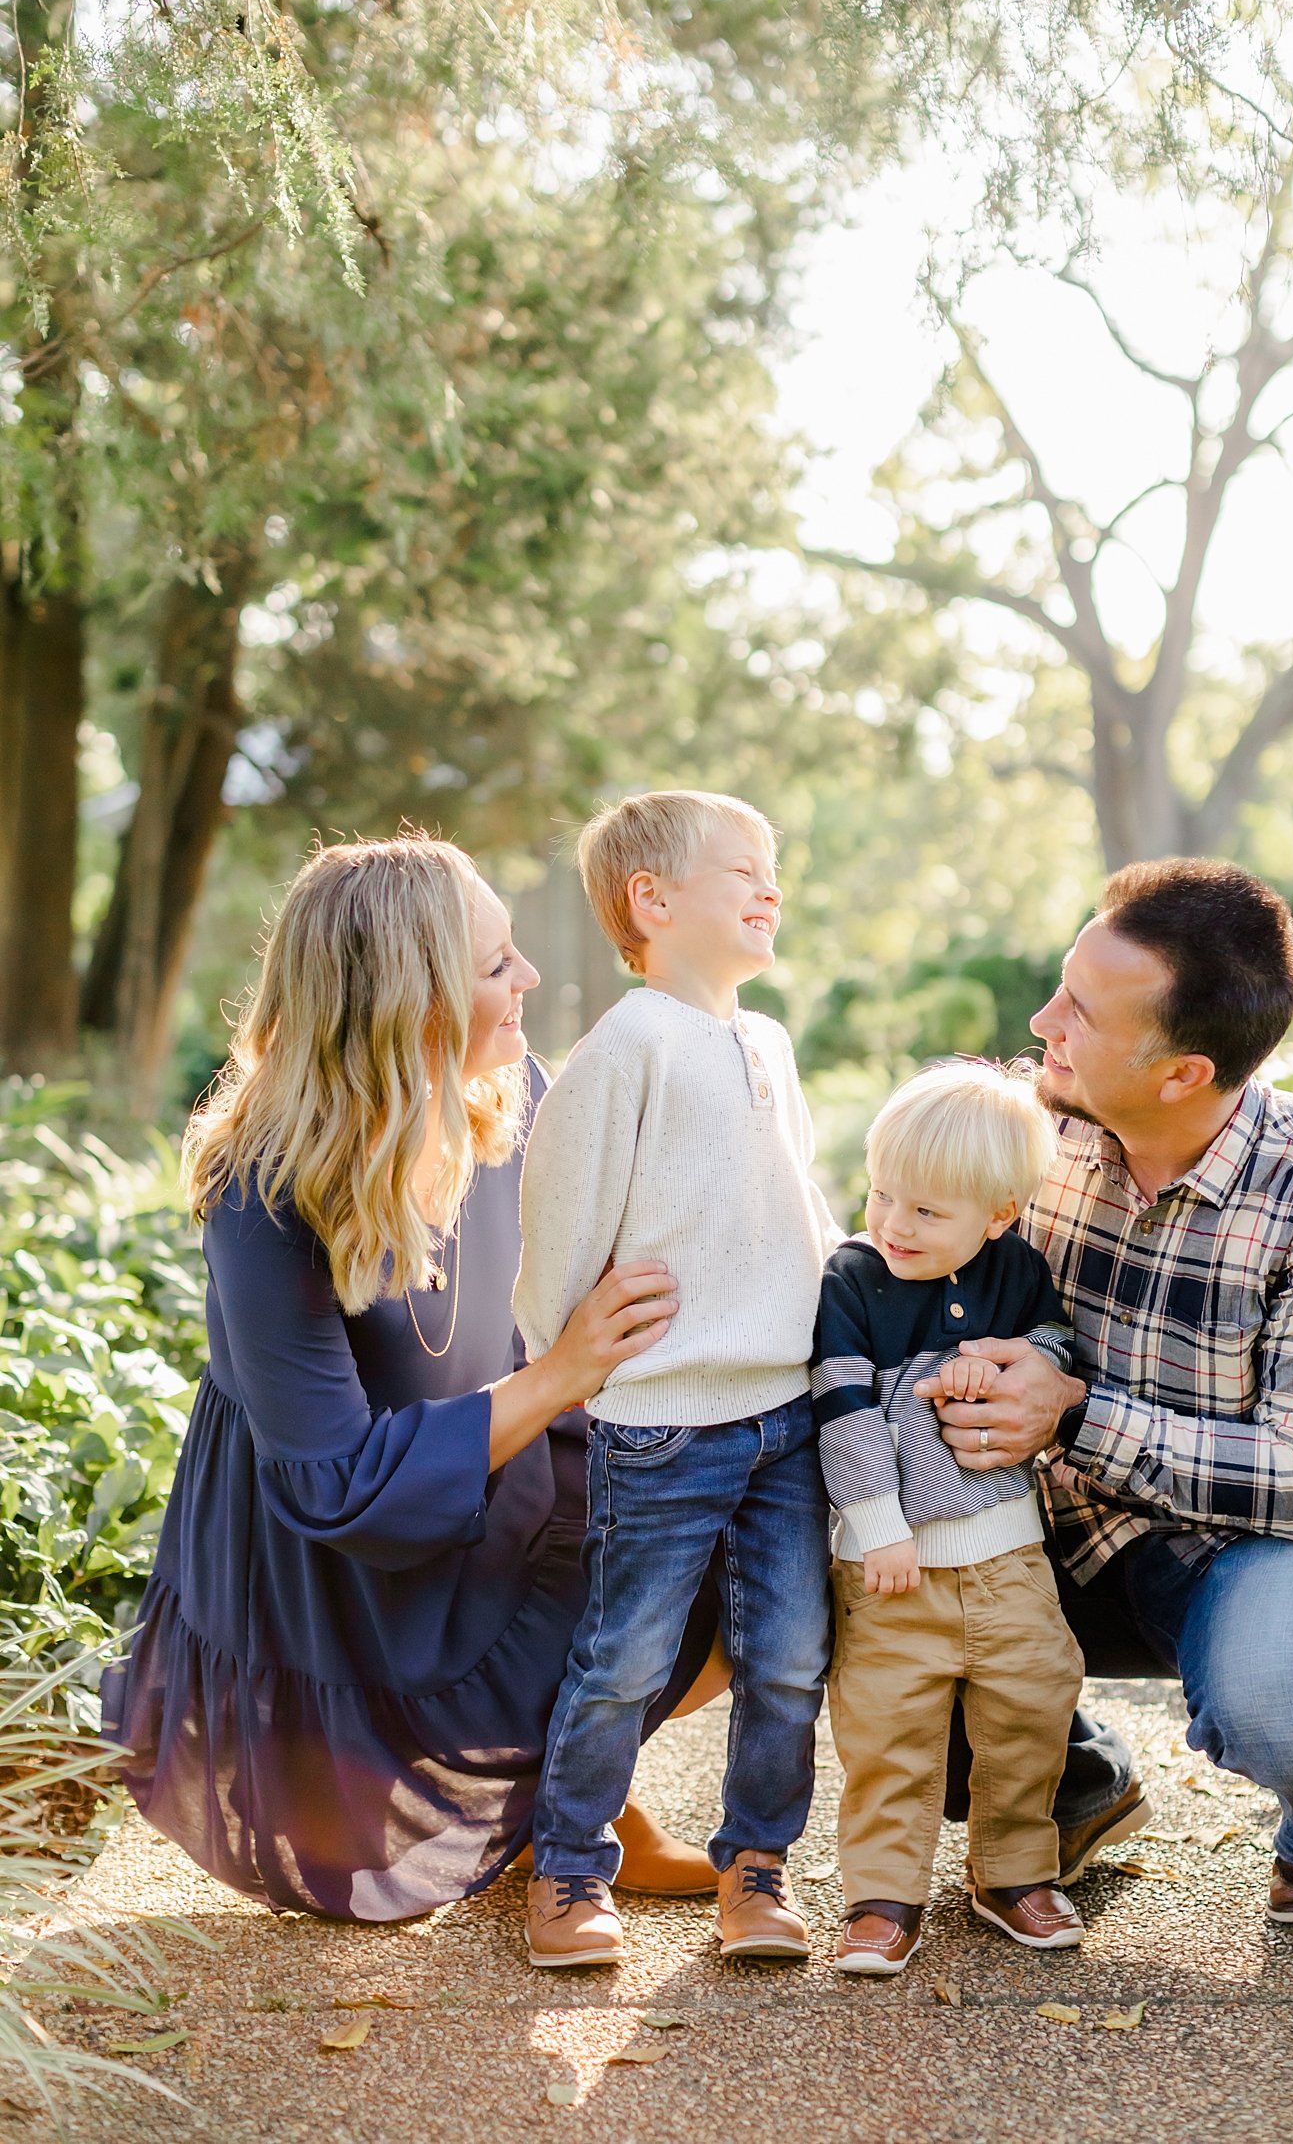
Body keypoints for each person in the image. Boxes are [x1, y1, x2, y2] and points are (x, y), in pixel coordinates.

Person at [101, 834, 719, 1921]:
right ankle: (539, 1796)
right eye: (494, 966)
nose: (528, 980)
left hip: (496, 1466)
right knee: (351, 1855)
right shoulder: (265, 1192)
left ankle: (574, 1793)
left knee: (726, 1527)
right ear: (408, 1000)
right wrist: (569, 1372)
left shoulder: (507, 1090)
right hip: (340, 1573)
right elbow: (332, 1483)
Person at [925, 860, 1293, 1925]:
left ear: (1180, 1073)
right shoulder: (1029, 1132)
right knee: (880, 1619)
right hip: (1050, 1528)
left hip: (1259, 1544)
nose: (1041, 1019)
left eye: (1082, 1013)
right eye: (1065, 984)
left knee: (1288, 1708)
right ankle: (1073, 1779)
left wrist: (1073, 1409)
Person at [513, 789, 842, 1969]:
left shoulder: (769, 1043)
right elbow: (557, 1223)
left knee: (790, 1657)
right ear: (652, 901)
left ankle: (756, 1870)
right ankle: (565, 1871)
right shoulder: (629, 1046)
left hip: (789, 1414)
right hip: (662, 1418)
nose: (771, 890)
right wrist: (576, 1351)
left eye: (776, 870)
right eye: (743, 870)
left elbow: (799, 1207)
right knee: (625, 1657)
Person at [814, 1062, 1087, 1978]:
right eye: (882, 1193)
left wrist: (1007, 1361)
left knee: (1030, 1711)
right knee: (887, 1728)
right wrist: (876, 1522)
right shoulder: (853, 1276)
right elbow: (844, 1410)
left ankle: (1014, 1874)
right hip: (894, 1562)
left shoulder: (1019, 1271)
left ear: (998, 1215)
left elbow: (1051, 1345)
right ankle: (881, 1897)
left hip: (1008, 1556)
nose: (894, 1223)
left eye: (926, 1212)